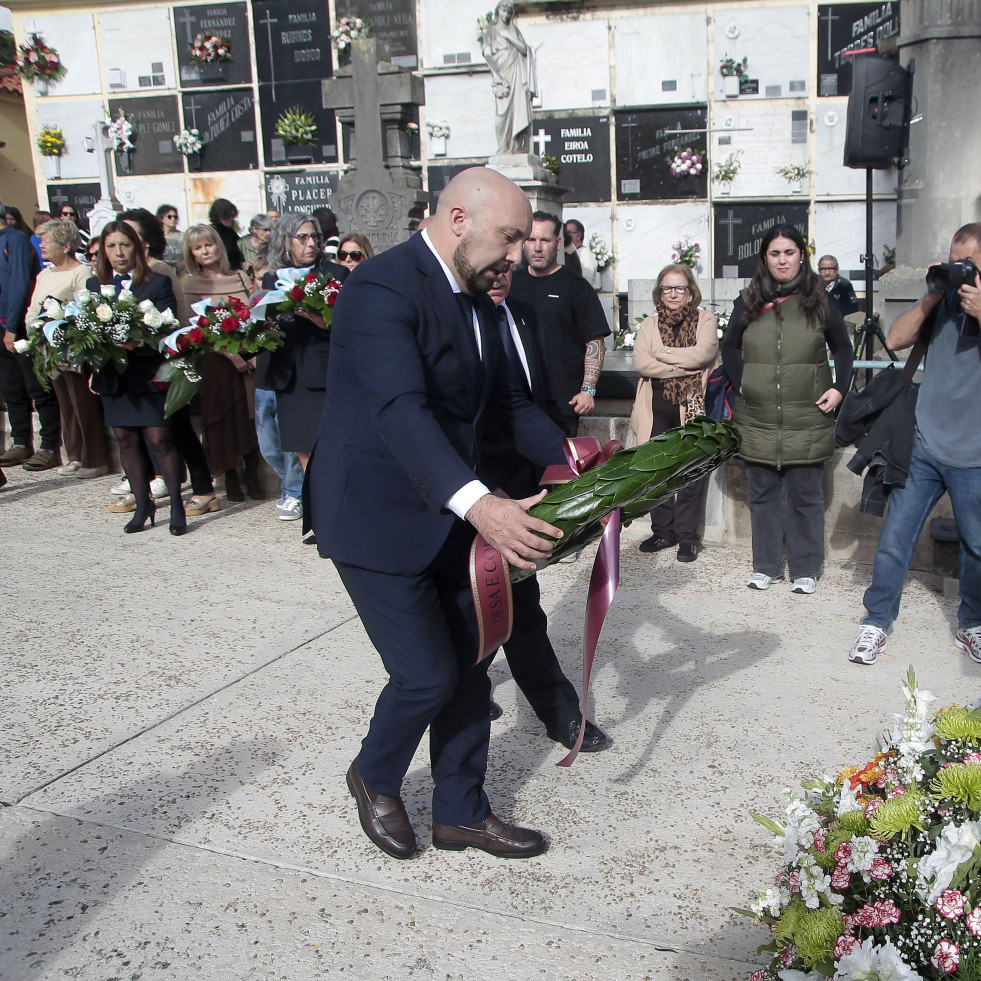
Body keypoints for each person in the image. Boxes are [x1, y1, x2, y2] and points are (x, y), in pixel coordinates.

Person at [307, 167, 567, 860]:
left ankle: (460, 813)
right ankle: (375, 773)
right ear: (458, 219)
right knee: (426, 673)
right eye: (508, 236)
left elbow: (509, 406)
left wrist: (575, 458)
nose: (516, 253)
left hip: (448, 510)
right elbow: (400, 410)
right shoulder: (380, 286)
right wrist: (482, 504)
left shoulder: (481, 298)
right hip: (374, 516)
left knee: (472, 661)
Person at [484, 265, 610, 751]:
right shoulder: (452, 316)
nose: (499, 275)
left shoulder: (520, 314)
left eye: (505, 266)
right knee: (471, 602)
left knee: (519, 604)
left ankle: (560, 715)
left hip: (525, 475)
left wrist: (572, 462)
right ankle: (472, 692)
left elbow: (521, 402)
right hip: (468, 486)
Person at [847, 223, 981, 666]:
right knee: (894, 538)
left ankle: (973, 625)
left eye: (970, 264)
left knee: (977, 546)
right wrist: (932, 294)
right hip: (924, 443)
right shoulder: (941, 303)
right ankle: (876, 621)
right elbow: (896, 339)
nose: (961, 271)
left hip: (975, 454)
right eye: (955, 260)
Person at [722, 224, 853, 594]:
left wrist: (840, 388)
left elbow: (843, 348)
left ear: (801, 255)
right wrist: (740, 381)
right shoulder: (747, 300)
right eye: (775, 253)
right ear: (765, 257)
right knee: (762, 494)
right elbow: (729, 346)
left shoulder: (821, 300)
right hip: (759, 414)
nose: (783, 260)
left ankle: (805, 568)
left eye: (790, 252)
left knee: (806, 496)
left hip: (807, 414)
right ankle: (766, 566)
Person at [87, 221, 187, 536]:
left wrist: (139, 341)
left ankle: (176, 505)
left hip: (148, 373)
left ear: (138, 247)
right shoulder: (95, 286)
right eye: (112, 246)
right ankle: (143, 505)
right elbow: (87, 331)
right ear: (104, 250)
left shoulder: (157, 282)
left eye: (125, 245)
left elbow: (168, 327)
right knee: (126, 440)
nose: (119, 252)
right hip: (114, 375)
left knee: (159, 439)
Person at [118, 208, 214, 517]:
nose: (124, 243)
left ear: (143, 241)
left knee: (177, 427)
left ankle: (201, 486)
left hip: (166, 356)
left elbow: (174, 316)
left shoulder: (157, 271)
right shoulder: (119, 277)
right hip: (131, 367)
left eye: (131, 236)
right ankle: (145, 487)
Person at [631, 263, 719, 561]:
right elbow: (641, 363)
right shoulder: (648, 325)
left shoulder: (706, 320)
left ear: (690, 292)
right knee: (656, 472)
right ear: (659, 292)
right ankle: (663, 532)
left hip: (692, 405)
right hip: (655, 409)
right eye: (667, 287)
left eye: (680, 287)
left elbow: (704, 353)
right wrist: (682, 365)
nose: (673, 293)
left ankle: (687, 536)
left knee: (692, 471)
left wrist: (662, 356)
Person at [182, 224, 263, 508]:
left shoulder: (240, 277)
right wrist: (232, 356)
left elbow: (254, 314)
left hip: (248, 355)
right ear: (191, 253)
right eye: (198, 247)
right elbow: (195, 330)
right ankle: (230, 474)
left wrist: (247, 351)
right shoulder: (192, 284)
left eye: (209, 245)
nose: (205, 251)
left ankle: (252, 473)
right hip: (217, 361)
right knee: (223, 417)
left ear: (218, 245)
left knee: (251, 414)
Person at [509, 211, 610, 436]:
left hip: (561, 403)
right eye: (531, 239)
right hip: (516, 402)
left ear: (557, 243)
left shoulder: (576, 287)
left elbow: (594, 340)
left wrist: (588, 390)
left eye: (544, 240)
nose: (537, 247)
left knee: (560, 471)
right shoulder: (510, 284)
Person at [260, 212, 347, 471]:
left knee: (330, 448)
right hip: (289, 375)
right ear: (286, 242)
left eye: (315, 237)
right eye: (303, 237)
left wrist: (321, 320)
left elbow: (350, 324)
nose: (310, 243)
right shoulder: (272, 278)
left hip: (322, 371)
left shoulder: (335, 273)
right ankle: (314, 506)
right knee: (303, 450)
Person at [26, 219, 110, 478]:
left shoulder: (81, 272)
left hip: (72, 346)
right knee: (65, 403)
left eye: (46, 241)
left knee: (82, 401)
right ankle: (74, 455)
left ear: (64, 246)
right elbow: (33, 307)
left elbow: (85, 307)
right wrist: (33, 329)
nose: (41, 245)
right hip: (47, 346)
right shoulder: (44, 274)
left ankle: (94, 458)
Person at [0, 200, 61, 471]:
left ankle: (49, 445)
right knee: (11, 387)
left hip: (18, 325)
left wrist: (12, 325)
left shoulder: (14, 239)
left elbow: (18, 282)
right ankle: (21, 442)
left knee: (37, 386)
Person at [480, 0, 538, 155]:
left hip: (517, 72)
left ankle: (517, 148)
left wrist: (509, 36)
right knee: (502, 113)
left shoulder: (514, 31)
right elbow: (487, 54)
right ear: (498, 11)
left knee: (519, 110)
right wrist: (496, 74)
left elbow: (524, 50)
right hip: (502, 73)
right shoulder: (491, 31)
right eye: (503, 11)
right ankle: (503, 148)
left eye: (508, 12)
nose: (505, 15)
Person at [564, 219, 600, 289]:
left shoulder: (584, 254)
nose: (565, 236)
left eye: (568, 233)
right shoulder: (573, 252)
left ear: (578, 236)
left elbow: (585, 281)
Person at [210, 198, 244, 271]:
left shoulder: (230, 232)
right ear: (220, 216)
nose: (232, 219)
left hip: (234, 270)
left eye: (233, 216)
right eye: (229, 216)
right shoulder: (210, 232)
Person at [156, 204, 184, 273]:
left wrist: (177, 268)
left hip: (181, 274)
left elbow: (189, 256)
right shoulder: (156, 237)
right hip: (162, 272)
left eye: (175, 217)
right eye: (169, 217)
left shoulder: (183, 236)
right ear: (162, 218)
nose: (173, 219)